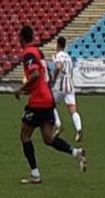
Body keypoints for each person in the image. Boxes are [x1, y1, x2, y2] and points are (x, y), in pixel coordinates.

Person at [14, 25, 87, 184]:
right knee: (48, 138)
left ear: (20, 39)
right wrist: (32, 88)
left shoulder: (28, 53)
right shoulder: (38, 52)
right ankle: (76, 153)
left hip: (38, 101)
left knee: (25, 135)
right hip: (48, 99)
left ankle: (35, 175)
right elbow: (44, 76)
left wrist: (22, 88)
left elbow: (35, 74)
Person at [50, 36, 84, 142]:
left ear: (58, 45)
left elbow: (58, 66)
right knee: (72, 109)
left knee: (50, 104)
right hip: (70, 84)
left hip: (62, 84)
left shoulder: (58, 55)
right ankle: (79, 129)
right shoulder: (68, 57)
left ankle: (58, 125)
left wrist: (53, 78)